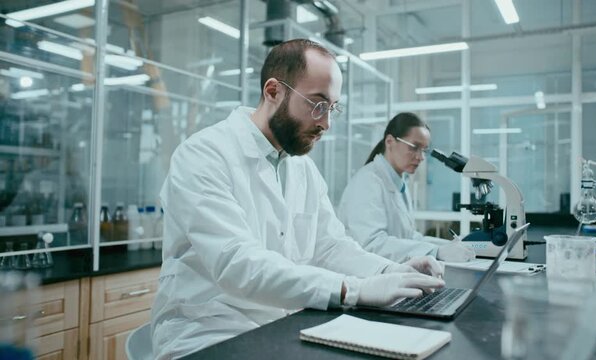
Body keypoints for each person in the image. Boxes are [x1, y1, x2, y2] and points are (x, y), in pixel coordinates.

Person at [151, 39, 446, 359]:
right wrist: (352, 289)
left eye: (332, 108)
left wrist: (390, 270)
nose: (326, 123)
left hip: (278, 323)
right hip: (206, 331)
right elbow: (236, 264)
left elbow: (330, 245)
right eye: (317, 104)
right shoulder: (204, 155)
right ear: (273, 91)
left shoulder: (300, 167)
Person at [337, 113, 476, 263]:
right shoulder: (367, 182)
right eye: (415, 147)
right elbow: (371, 244)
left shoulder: (399, 182)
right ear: (390, 141)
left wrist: (448, 246)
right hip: (366, 278)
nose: (421, 157)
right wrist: (436, 252)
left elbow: (409, 237)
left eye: (424, 150)